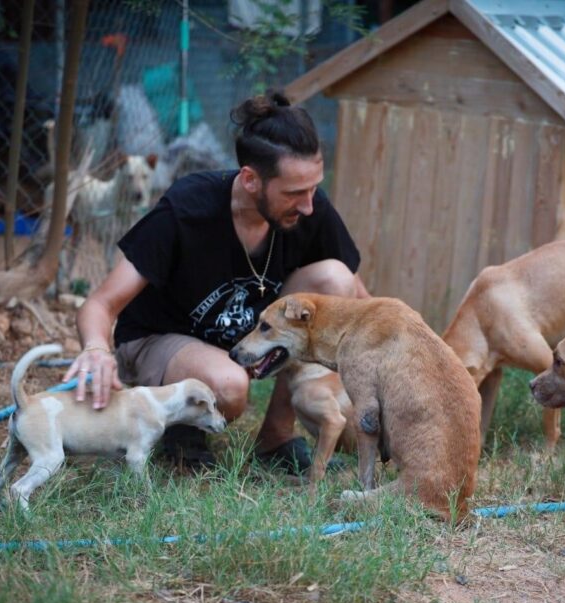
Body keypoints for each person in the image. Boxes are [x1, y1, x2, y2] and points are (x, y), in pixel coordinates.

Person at [63, 90, 368, 472]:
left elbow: (360, 299)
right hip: (157, 342)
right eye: (294, 193)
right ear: (251, 179)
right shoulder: (188, 208)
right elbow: (100, 304)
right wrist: (95, 349)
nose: (309, 205)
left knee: (336, 282)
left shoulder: (308, 208)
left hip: (239, 343)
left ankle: (276, 438)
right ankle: (179, 434)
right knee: (228, 385)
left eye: (313, 187)